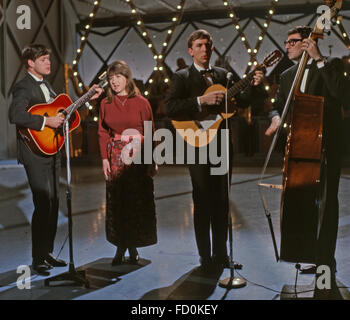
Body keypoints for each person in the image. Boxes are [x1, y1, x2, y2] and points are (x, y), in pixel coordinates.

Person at [165, 29, 264, 272]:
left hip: (221, 145)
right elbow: (170, 107)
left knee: (221, 201)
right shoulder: (182, 77)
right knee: (202, 201)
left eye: (208, 45)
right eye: (199, 45)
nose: (204, 49)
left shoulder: (224, 75)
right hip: (196, 144)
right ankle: (205, 258)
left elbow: (243, 101)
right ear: (190, 51)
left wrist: (254, 85)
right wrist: (201, 101)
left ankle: (222, 255)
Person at [8, 44, 102, 275]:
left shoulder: (48, 86)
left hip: (52, 150)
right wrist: (45, 123)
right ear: (30, 63)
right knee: (43, 203)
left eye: (49, 59)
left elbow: (63, 112)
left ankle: (47, 253)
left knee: (54, 204)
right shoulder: (23, 86)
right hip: (34, 154)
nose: (49, 63)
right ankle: (37, 257)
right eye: (43, 60)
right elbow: (15, 115)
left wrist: (88, 97)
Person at [265, 26, 345, 294]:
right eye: (286, 41)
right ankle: (311, 254)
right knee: (302, 206)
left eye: (293, 42)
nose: (287, 46)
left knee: (326, 207)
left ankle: (326, 264)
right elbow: (276, 105)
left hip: (325, 148)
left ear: (308, 42)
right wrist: (276, 117)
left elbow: (342, 95)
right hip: (299, 150)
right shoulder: (287, 75)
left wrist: (319, 58)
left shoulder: (330, 65)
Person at [98, 60, 157, 265]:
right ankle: (120, 247)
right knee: (117, 203)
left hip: (138, 156)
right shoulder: (105, 103)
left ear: (127, 78)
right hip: (115, 156)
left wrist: (153, 160)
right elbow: (102, 132)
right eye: (111, 78)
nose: (114, 82)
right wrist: (104, 159)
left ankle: (132, 247)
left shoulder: (142, 102)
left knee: (136, 202)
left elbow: (150, 132)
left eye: (118, 77)